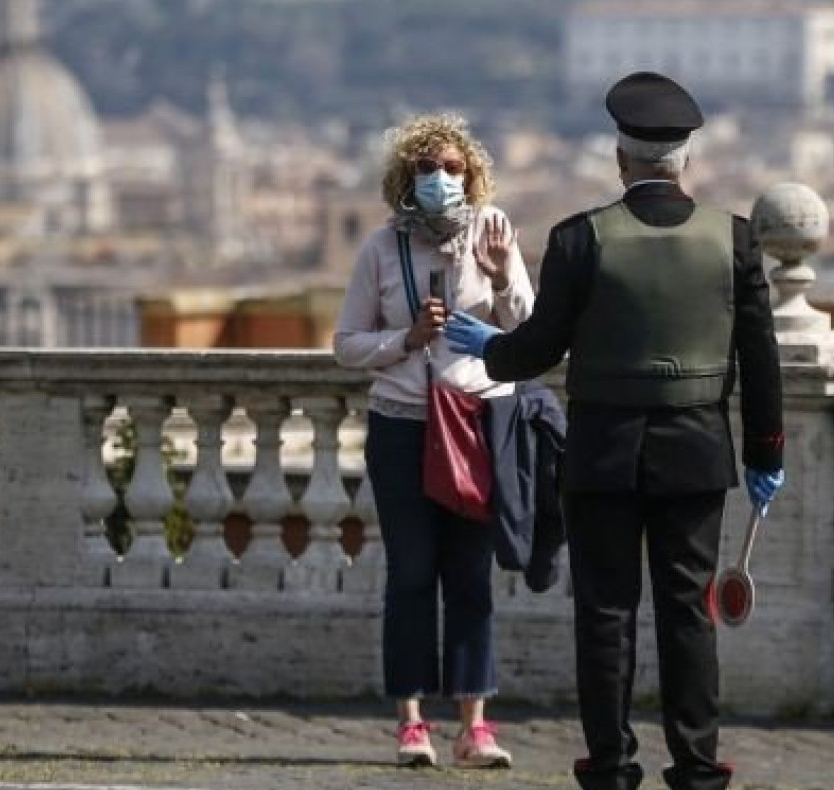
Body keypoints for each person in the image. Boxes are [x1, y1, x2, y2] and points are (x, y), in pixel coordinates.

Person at [446, 72, 786, 790]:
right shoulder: (735, 241)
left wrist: (487, 347)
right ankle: (697, 765)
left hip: (601, 453)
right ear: (686, 159)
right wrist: (765, 454)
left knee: (605, 614)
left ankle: (609, 765)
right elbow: (761, 362)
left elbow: (538, 349)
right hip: (696, 453)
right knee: (689, 614)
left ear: (621, 158)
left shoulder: (580, 238)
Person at [332, 113, 534, 770]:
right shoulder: (381, 250)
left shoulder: (495, 231)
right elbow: (346, 344)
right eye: (427, 168)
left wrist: (502, 277)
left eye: (452, 168)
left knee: (470, 578)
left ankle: (475, 727)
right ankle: (411, 723)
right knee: (412, 574)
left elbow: (528, 330)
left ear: (471, 174)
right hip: (403, 426)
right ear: (405, 177)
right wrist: (407, 340)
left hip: (477, 421)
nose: (440, 179)